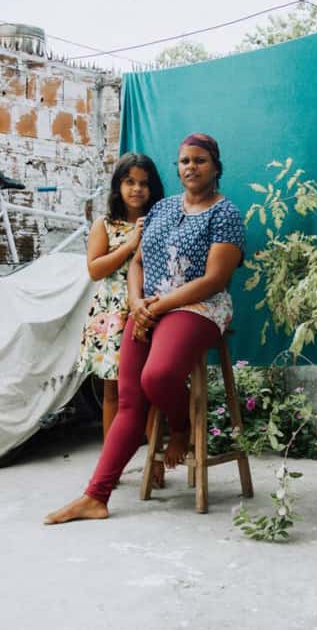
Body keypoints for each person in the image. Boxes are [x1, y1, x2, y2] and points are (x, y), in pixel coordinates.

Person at [46, 133, 244, 524]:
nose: (191, 167)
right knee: (130, 399)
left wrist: (156, 305)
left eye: (200, 160)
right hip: (150, 307)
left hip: (200, 308)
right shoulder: (163, 209)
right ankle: (96, 496)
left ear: (216, 167)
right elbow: (136, 262)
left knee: (159, 375)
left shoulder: (226, 214)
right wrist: (136, 304)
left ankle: (181, 427)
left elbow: (215, 279)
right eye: (185, 161)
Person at [76, 153, 165, 482]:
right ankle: (111, 464)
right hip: (112, 315)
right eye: (129, 182)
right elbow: (94, 268)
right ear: (118, 186)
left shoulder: (162, 219)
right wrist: (130, 243)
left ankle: (154, 462)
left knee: (151, 391)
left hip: (148, 311)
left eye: (144, 183)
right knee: (112, 392)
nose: (137, 189)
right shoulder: (105, 224)